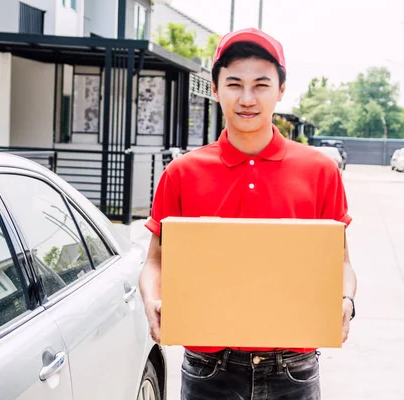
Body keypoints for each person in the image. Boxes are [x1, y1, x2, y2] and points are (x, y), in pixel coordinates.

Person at [139, 27, 357, 400]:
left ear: (281, 90)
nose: (247, 98)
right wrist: (151, 299)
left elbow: (341, 263)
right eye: (234, 83)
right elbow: (156, 261)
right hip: (209, 369)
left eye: (261, 85)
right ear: (215, 88)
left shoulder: (320, 171)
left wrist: (346, 303)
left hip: (293, 368)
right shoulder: (182, 173)